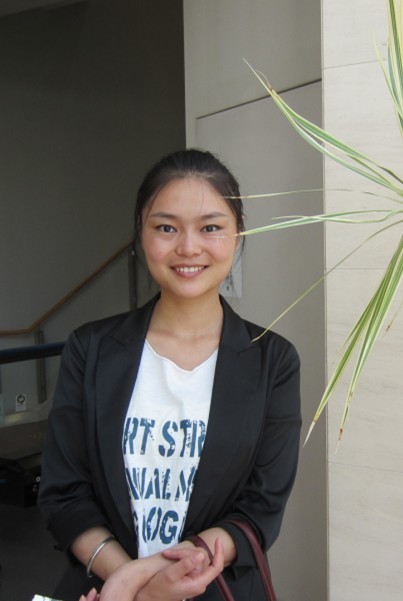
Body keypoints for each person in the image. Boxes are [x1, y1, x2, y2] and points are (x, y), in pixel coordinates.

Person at [38, 148, 302, 601]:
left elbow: (261, 509)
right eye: (166, 227)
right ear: (141, 235)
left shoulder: (272, 360)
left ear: (237, 234)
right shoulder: (90, 349)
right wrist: (129, 582)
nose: (188, 248)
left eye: (210, 227)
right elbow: (64, 495)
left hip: (217, 590)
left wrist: (150, 580)